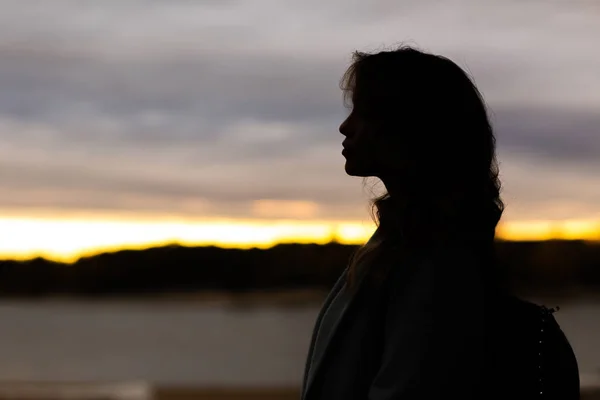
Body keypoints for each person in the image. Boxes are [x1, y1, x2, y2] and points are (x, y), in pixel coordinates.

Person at [300, 45, 506, 400]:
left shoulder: (438, 259)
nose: (345, 127)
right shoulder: (405, 241)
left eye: (363, 113)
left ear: (406, 127)